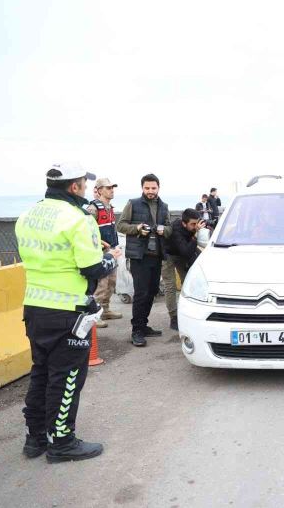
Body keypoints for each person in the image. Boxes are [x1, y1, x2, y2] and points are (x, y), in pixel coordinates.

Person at [16, 162, 121, 462]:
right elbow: (91, 267)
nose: (86, 189)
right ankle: (61, 442)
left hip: (35, 308)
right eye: (84, 184)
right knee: (67, 377)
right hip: (69, 312)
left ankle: (35, 439)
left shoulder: (27, 215)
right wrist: (111, 258)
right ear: (74, 187)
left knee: (41, 373)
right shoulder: (79, 220)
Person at [117, 174, 171, 347]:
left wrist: (165, 230)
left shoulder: (164, 206)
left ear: (158, 188)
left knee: (152, 291)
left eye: (153, 188)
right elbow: (121, 225)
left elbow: (170, 227)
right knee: (141, 294)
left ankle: (144, 325)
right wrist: (137, 228)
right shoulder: (133, 203)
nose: (150, 191)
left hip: (157, 256)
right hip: (139, 256)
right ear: (142, 188)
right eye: (147, 188)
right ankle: (137, 331)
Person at [86, 178, 122, 329]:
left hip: (112, 249)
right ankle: (95, 315)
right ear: (99, 190)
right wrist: (101, 244)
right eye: (108, 188)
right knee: (102, 283)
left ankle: (105, 309)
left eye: (112, 187)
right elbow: (86, 230)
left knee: (111, 282)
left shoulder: (109, 207)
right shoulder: (92, 209)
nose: (111, 190)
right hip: (100, 252)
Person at [162, 208, 206, 331]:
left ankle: (190, 313)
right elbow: (186, 251)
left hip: (182, 253)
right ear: (184, 223)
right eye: (192, 224)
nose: (195, 226)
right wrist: (195, 235)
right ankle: (174, 318)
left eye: (197, 223)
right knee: (170, 286)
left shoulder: (192, 227)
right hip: (168, 254)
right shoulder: (176, 229)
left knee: (188, 282)